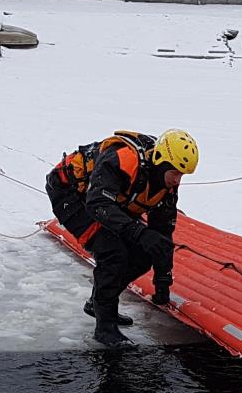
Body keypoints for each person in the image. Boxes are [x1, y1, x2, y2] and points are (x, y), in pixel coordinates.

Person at [46, 129, 199, 348]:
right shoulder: (122, 160)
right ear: (161, 162)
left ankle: (97, 303)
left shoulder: (166, 186)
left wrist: (162, 281)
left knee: (143, 253)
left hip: (107, 200)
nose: (177, 180)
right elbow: (98, 204)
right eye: (175, 173)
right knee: (112, 252)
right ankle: (104, 327)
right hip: (70, 193)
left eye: (182, 175)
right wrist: (138, 231)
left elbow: (162, 233)